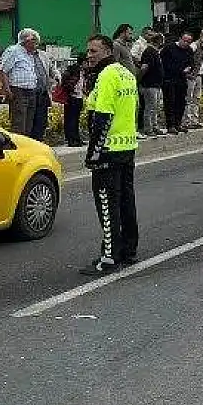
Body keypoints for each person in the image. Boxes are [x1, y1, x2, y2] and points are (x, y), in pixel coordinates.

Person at [80, 34, 139, 276]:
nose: (89, 55)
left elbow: (102, 117)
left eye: (94, 51)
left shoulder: (106, 76)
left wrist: (93, 154)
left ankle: (109, 257)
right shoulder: (126, 73)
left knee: (107, 204)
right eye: (88, 51)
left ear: (107, 51)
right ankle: (128, 249)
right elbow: (135, 108)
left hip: (108, 151)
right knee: (126, 201)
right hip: (127, 147)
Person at [0, 28, 57, 140]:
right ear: (25, 41)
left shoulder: (30, 54)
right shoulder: (13, 51)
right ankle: (17, 148)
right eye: (34, 41)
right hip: (18, 91)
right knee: (19, 123)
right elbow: (3, 71)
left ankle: (27, 146)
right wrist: (7, 90)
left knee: (29, 124)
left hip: (32, 92)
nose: (36, 44)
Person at [161, 33, 194, 134]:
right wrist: (180, 70)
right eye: (185, 40)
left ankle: (177, 123)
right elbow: (164, 63)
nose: (186, 43)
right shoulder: (169, 48)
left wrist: (189, 68)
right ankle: (170, 125)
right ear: (180, 38)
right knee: (170, 102)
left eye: (189, 42)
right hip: (169, 79)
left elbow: (191, 62)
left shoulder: (189, 50)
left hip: (182, 79)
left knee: (181, 102)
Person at [138, 32, 167, 137]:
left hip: (156, 84)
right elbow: (144, 67)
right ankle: (148, 128)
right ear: (159, 41)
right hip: (150, 84)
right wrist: (140, 81)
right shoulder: (149, 51)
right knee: (150, 107)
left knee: (155, 107)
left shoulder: (155, 51)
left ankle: (154, 126)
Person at [59, 55, 87, 147]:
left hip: (79, 97)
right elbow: (65, 81)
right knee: (71, 119)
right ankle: (71, 139)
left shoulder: (83, 72)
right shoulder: (74, 70)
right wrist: (71, 90)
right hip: (72, 97)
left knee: (76, 119)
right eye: (86, 62)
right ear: (83, 62)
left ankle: (76, 138)